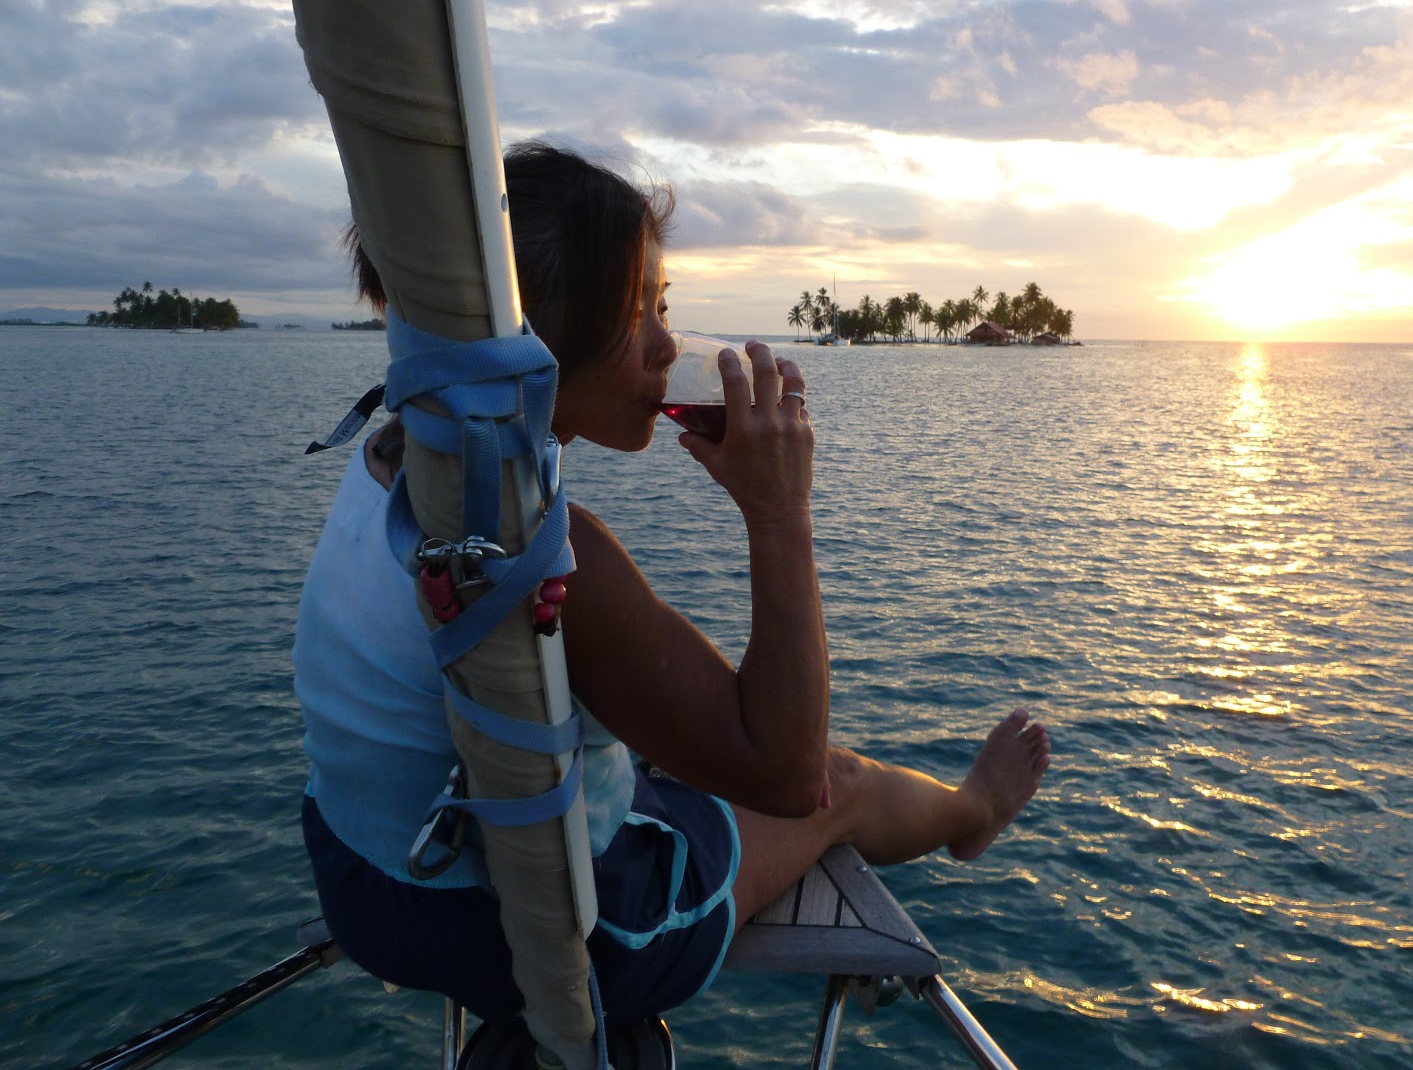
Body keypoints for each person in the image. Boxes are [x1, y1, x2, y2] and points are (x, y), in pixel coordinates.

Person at [293, 140, 1050, 1026]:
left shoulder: (393, 456)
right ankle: (972, 813)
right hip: (534, 934)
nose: (666, 346)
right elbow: (788, 777)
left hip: (365, 877)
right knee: (839, 784)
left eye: (663, 306)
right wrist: (779, 513)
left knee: (671, 735)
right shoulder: (542, 553)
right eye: (635, 313)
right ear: (538, 336)